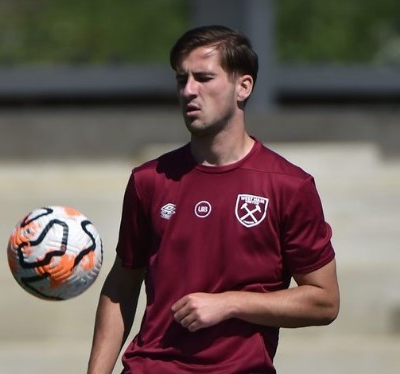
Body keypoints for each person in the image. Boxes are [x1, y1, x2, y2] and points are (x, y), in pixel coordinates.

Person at [87, 25, 340, 373]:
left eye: (204, 78)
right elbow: (122, 286)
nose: (189, 91)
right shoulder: (148, 180)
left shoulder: (288, 185)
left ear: (243, 86)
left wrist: (231, 304)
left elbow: (324, 302)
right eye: (182, 79)